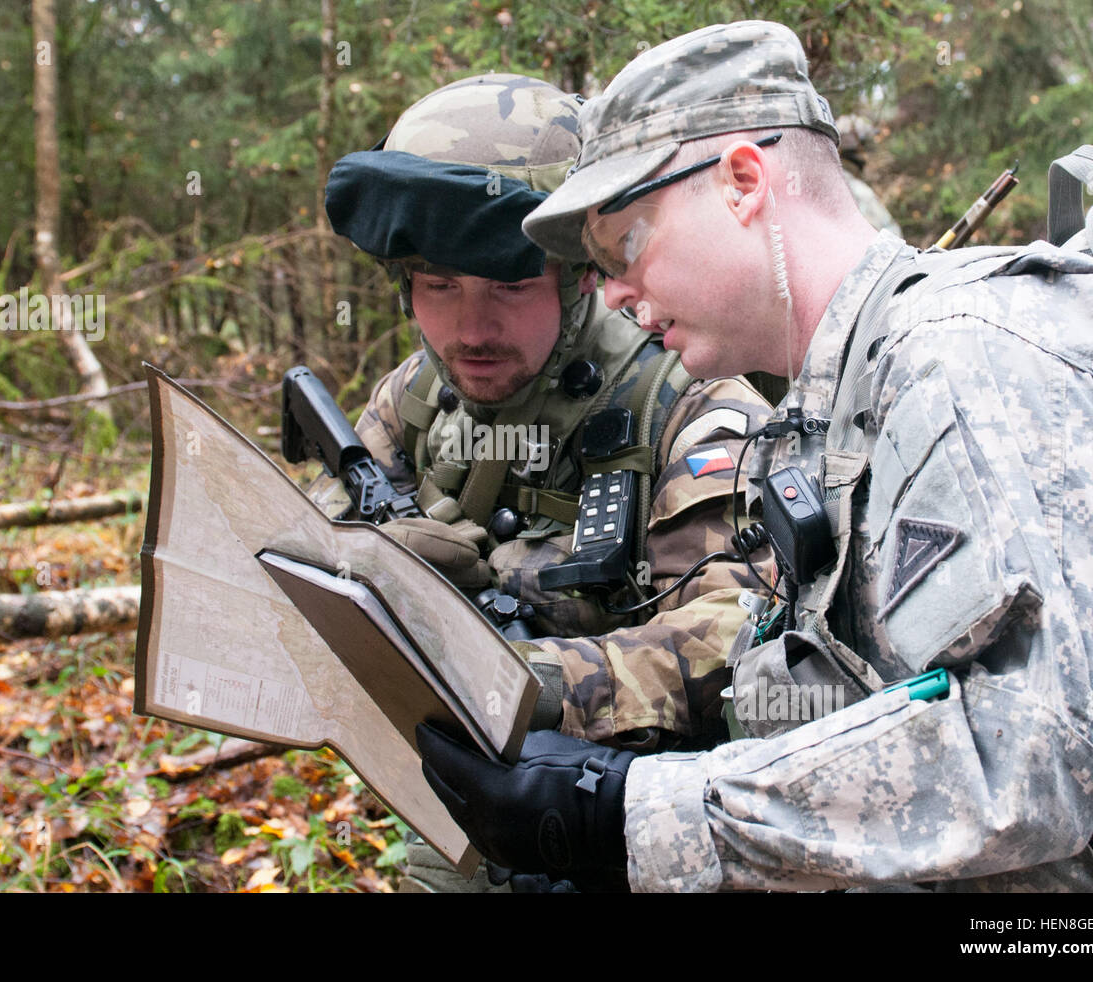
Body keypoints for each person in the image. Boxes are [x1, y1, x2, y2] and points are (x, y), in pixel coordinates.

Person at [416, 21, 1093, 892]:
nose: (611, 292)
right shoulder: (824, 412)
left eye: (624, 246)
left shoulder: (964, 355)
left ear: (742, 181)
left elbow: (1031, 758)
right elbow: (839, 706)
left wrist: (630, 816)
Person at [317, 73, 772, 891]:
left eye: (510, 286)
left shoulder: (688, 401)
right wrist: (379, 557)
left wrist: (526, 681)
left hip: (636, 824)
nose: (471, 328)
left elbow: (738, 631)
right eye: (438, 287)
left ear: (579, 275)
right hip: (463, 807)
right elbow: (314, 541)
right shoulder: (418, 395)